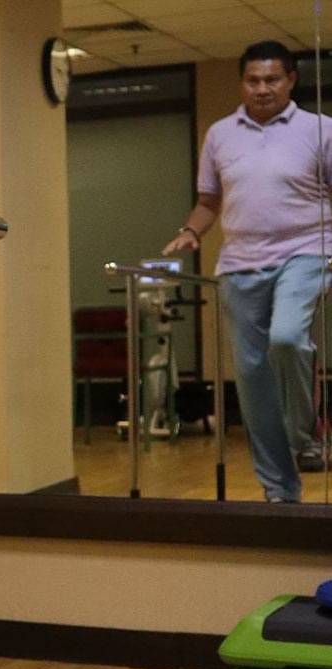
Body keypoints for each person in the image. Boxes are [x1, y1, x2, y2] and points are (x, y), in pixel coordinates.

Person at [163, 39, 329, 503]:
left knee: (288, 338)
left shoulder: (321, 130)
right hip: (240, 266)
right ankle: (280, 490)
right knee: (253, 383)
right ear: (242, 82)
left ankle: (307, 438)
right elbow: (208, 202)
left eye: (271, 79)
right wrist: (192, 232)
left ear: (291, 80)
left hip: (305, 254)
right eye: (253, 80)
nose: (261, 89)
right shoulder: (219, 134)